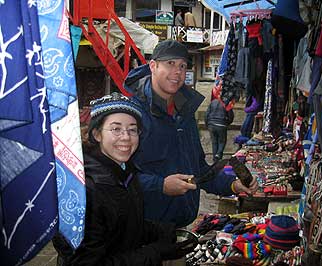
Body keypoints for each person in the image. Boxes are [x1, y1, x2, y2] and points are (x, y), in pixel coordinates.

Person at [123, 40, 258, 229]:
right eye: (170, 63)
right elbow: (118, 176)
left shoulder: (184, 114)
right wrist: (160, 185)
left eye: (182, 66)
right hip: (143, 229)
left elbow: (199, 171)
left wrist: (233, 185)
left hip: (179, 228)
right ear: (153, 66)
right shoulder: (132, 115)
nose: (177, 72)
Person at [52, 92, 195, 265]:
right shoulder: (86, 189)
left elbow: (122, 226)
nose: (126, 137)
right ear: (97, 134)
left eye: (132, 129)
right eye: (116, 129)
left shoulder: (125, 172)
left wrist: (163, 231)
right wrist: (154, 253)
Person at [205, 96, 234, 162]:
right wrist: (227, 123)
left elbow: (206, 114)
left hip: (211, 124)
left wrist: (207, 124)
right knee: (222, 141)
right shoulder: (227, 103)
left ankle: (215, 158)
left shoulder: (213, 102)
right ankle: (218, 154)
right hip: (222, 124)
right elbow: (231, 116)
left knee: (214, 142)